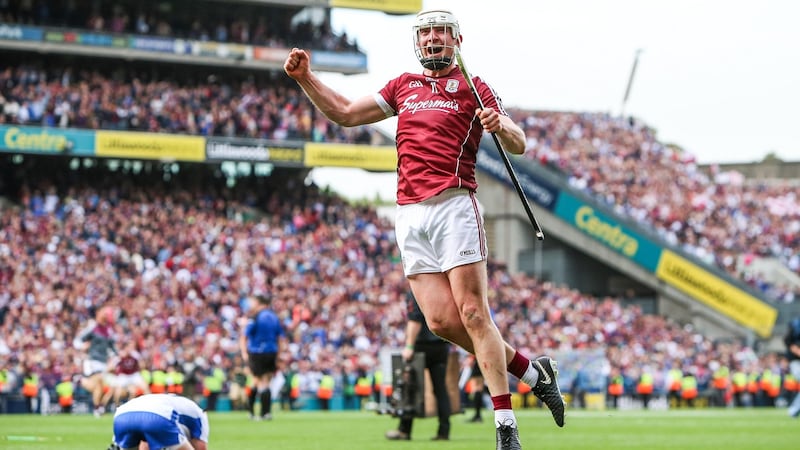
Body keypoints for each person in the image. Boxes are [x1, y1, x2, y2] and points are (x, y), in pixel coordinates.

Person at [285, 8, 565, 449]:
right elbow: (342, 112)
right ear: (418, 41)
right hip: (409, 214)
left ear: (456, 40)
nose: (433, 38)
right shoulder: (402, 86)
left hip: (454, 204)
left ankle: (506, 428)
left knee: (474, 314)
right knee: (441, 322)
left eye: (441, 32)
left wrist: (499, 123)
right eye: (426, 32)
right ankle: (533, 372)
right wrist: (306, 78)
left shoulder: (474, 86)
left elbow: (519, 142)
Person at [385, 292, 452, 441]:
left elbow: (414, 319)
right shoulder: (442, 291)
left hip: (421, 344)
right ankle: (444, 431)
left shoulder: (417, 290)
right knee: (440, 389)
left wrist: (409, 345)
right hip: (441, 345)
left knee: (410, 387)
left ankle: (404, 430)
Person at [239, 294, 287, 421]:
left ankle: (252, 412)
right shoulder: (274, 317)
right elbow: (280, 338)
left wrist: (244, 352)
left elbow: (244, 336)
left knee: (257, 381)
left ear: (260, 303)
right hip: (271, 352)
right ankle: (265, 413)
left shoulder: (255, 317)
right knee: (266, 381)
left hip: (257, 352)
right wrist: (279, 354)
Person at [108, 393, 209, 450]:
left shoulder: (166, 400)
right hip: (158, 416)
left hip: (121, 415)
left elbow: (145, 444)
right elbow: (200, 446)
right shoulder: (200, 414)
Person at [74, 305, 117, 417]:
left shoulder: (108, 330)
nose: (106, 315)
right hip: (93, 361)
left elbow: (112, 348)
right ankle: (97, 408)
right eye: (104, 312)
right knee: (98, 382)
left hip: (104, 363)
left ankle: (99, 406)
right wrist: (82, 346)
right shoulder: (93, 327)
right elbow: (78, 340)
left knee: (110, 386)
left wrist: (115, 359)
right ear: (98, 313)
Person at [785, 317, 800, 417]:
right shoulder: (795, 327)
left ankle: (794, 410)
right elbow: (791, 345)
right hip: (796, 362)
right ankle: (794, 410)